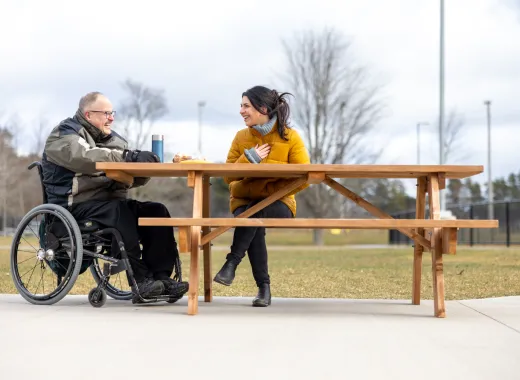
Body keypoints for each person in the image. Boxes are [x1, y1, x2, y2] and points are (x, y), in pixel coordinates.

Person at [42, 91, 189, 304]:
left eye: (112, 113)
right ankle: (141, 281)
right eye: (106, 113)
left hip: (109, 203)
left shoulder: (114, 139)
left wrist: (144, 167)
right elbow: (85, 156)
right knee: (119, 211)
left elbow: (128, 177)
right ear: (89, 114)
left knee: (157, 210)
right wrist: (129, 157)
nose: (111, 118)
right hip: (75, 205)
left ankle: (162, 277)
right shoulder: (63, 135)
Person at [213, 85, 310, 307]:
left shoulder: (291, 138)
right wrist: (250, 158)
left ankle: (232, 264)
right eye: (241, 106)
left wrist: (272, 193)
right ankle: (263, 289)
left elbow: (305, 177)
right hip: (243, 202)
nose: (241, 110)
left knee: (251, 216)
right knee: (251, 217)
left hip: (280, 204)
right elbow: (227, 177)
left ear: (262, 108)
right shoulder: (241, 137)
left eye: (246, 105)